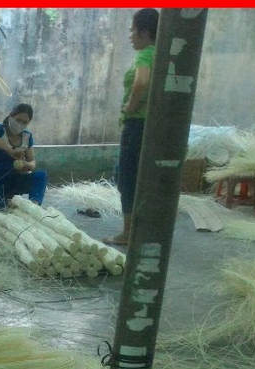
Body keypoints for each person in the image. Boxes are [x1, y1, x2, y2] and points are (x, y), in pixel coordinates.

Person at [110, 8, 159, 244]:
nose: (130, 36)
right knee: (138, 176)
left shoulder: (146, 54)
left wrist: (130, 107)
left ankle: (128, 232)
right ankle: (142, 228)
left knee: (126, 177)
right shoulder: (161, 53)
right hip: (151, 125)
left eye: (132, 30)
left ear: (144, 32)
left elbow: (141, 82)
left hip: (137, 124)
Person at [0, 103, 47, 210]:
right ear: (11, 116)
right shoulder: (0, 130)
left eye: (24, 122)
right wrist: (9, 150)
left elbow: (32, 162)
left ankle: (34, 206)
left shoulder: (27, 136)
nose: (20, 124)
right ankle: (7, 203)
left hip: (16, 181)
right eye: (18, 120)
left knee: (40, 176)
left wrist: (26, 165)